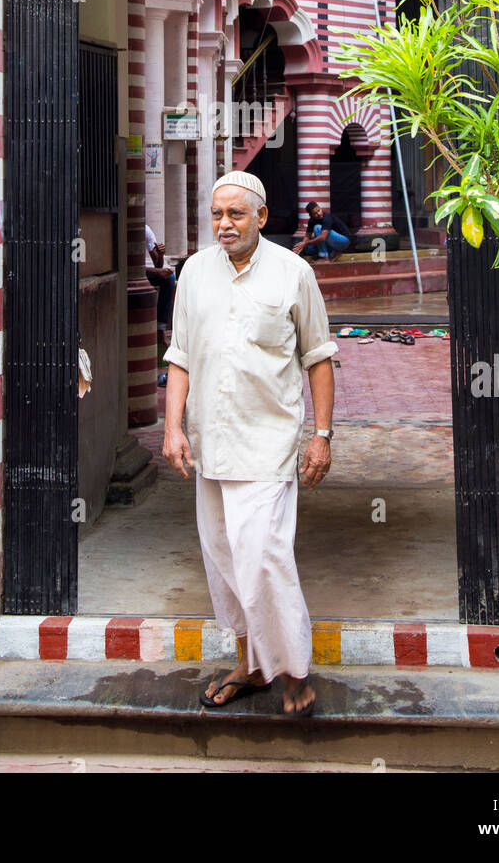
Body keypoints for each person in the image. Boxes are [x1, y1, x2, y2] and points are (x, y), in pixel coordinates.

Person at [162, 169, 337, 716]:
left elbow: (319, 357)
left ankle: (295, 674)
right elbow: (181, 355)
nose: (224, 224)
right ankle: (252, 664)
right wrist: (172, 428)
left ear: (261, 216)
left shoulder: (294, 273)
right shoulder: (193, 272)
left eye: (236, 214)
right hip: (211, 444)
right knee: (224, 561)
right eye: (217, 214)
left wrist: (323, 436)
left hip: (268, 444)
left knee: (263, 556)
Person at [145, 224, 175, 347]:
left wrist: (161, 255)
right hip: (127, 274)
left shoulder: (146, 230)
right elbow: (128, 267)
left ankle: (160, 329)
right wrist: (156, 271)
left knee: (169, 279)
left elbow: (158, 265)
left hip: (143, 272)